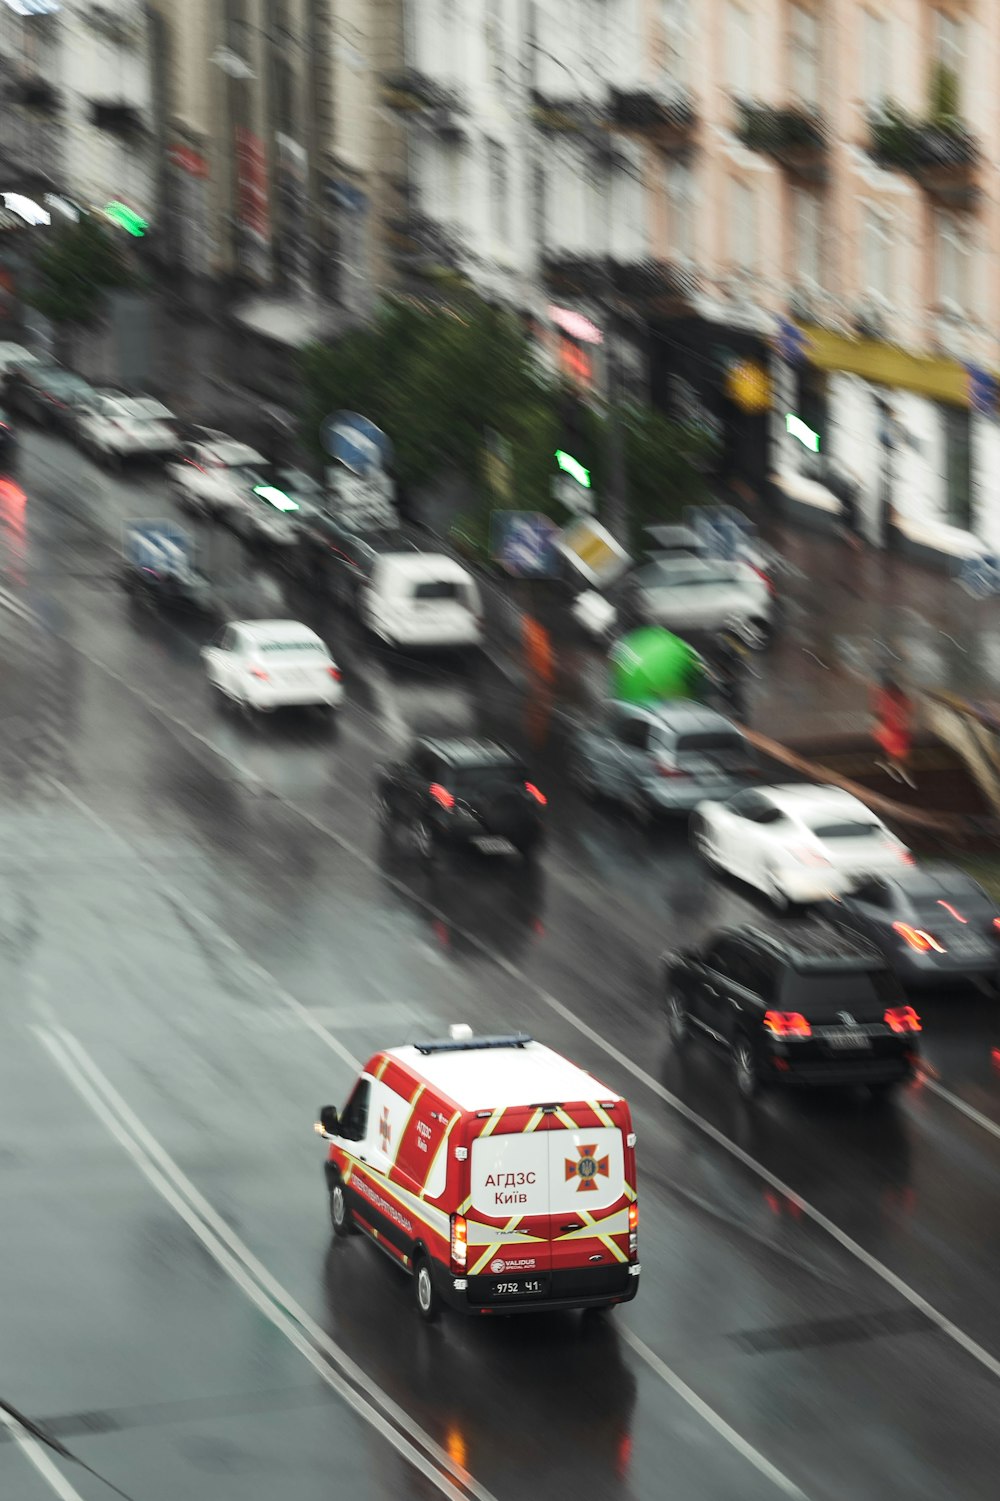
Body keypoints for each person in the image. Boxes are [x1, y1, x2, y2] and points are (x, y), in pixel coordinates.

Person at [872, 674, 915, 787]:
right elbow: (907, 709)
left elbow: (879, 713)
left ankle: (896, 766)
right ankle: (898, 767)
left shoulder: (884, 695)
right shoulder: (894, 696)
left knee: (897, 748)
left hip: (892, 730)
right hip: (894, 730)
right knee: (898, 748)